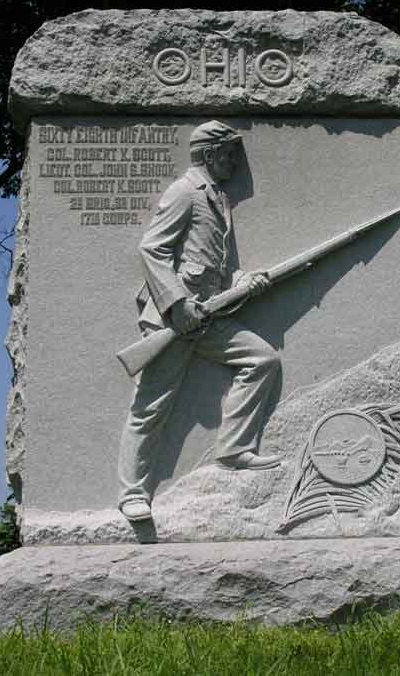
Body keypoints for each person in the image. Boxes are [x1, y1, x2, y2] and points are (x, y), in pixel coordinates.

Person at [118, 121, 282, 521]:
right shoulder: (184, 191)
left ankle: (234, 449)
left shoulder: (218, 198)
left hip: (209, 313)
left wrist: (244, 281)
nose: (233, 163)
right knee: (152, 405)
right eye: (228, 155)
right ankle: (132, 494)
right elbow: (152, 250)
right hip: (175, 319)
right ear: (210, 155)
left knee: (262, 360)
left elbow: (219, 265)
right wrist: (177, 304)